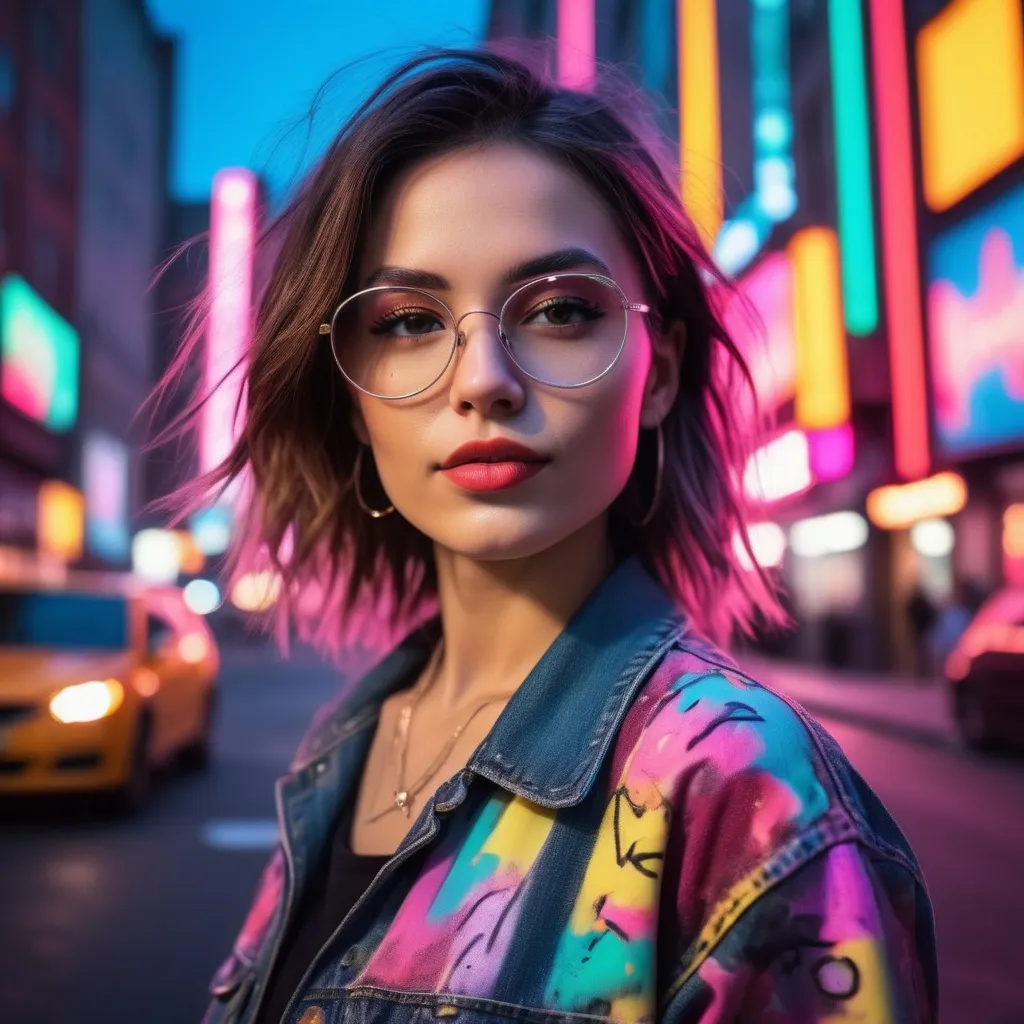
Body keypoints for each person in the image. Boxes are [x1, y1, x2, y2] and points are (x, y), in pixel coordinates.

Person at [174, 49, 936, 1024]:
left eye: (561, 311)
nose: (482, 377)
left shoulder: (745, 792)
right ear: (351, 399)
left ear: (657, 372)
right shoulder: (346, 742)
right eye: (410, 321)